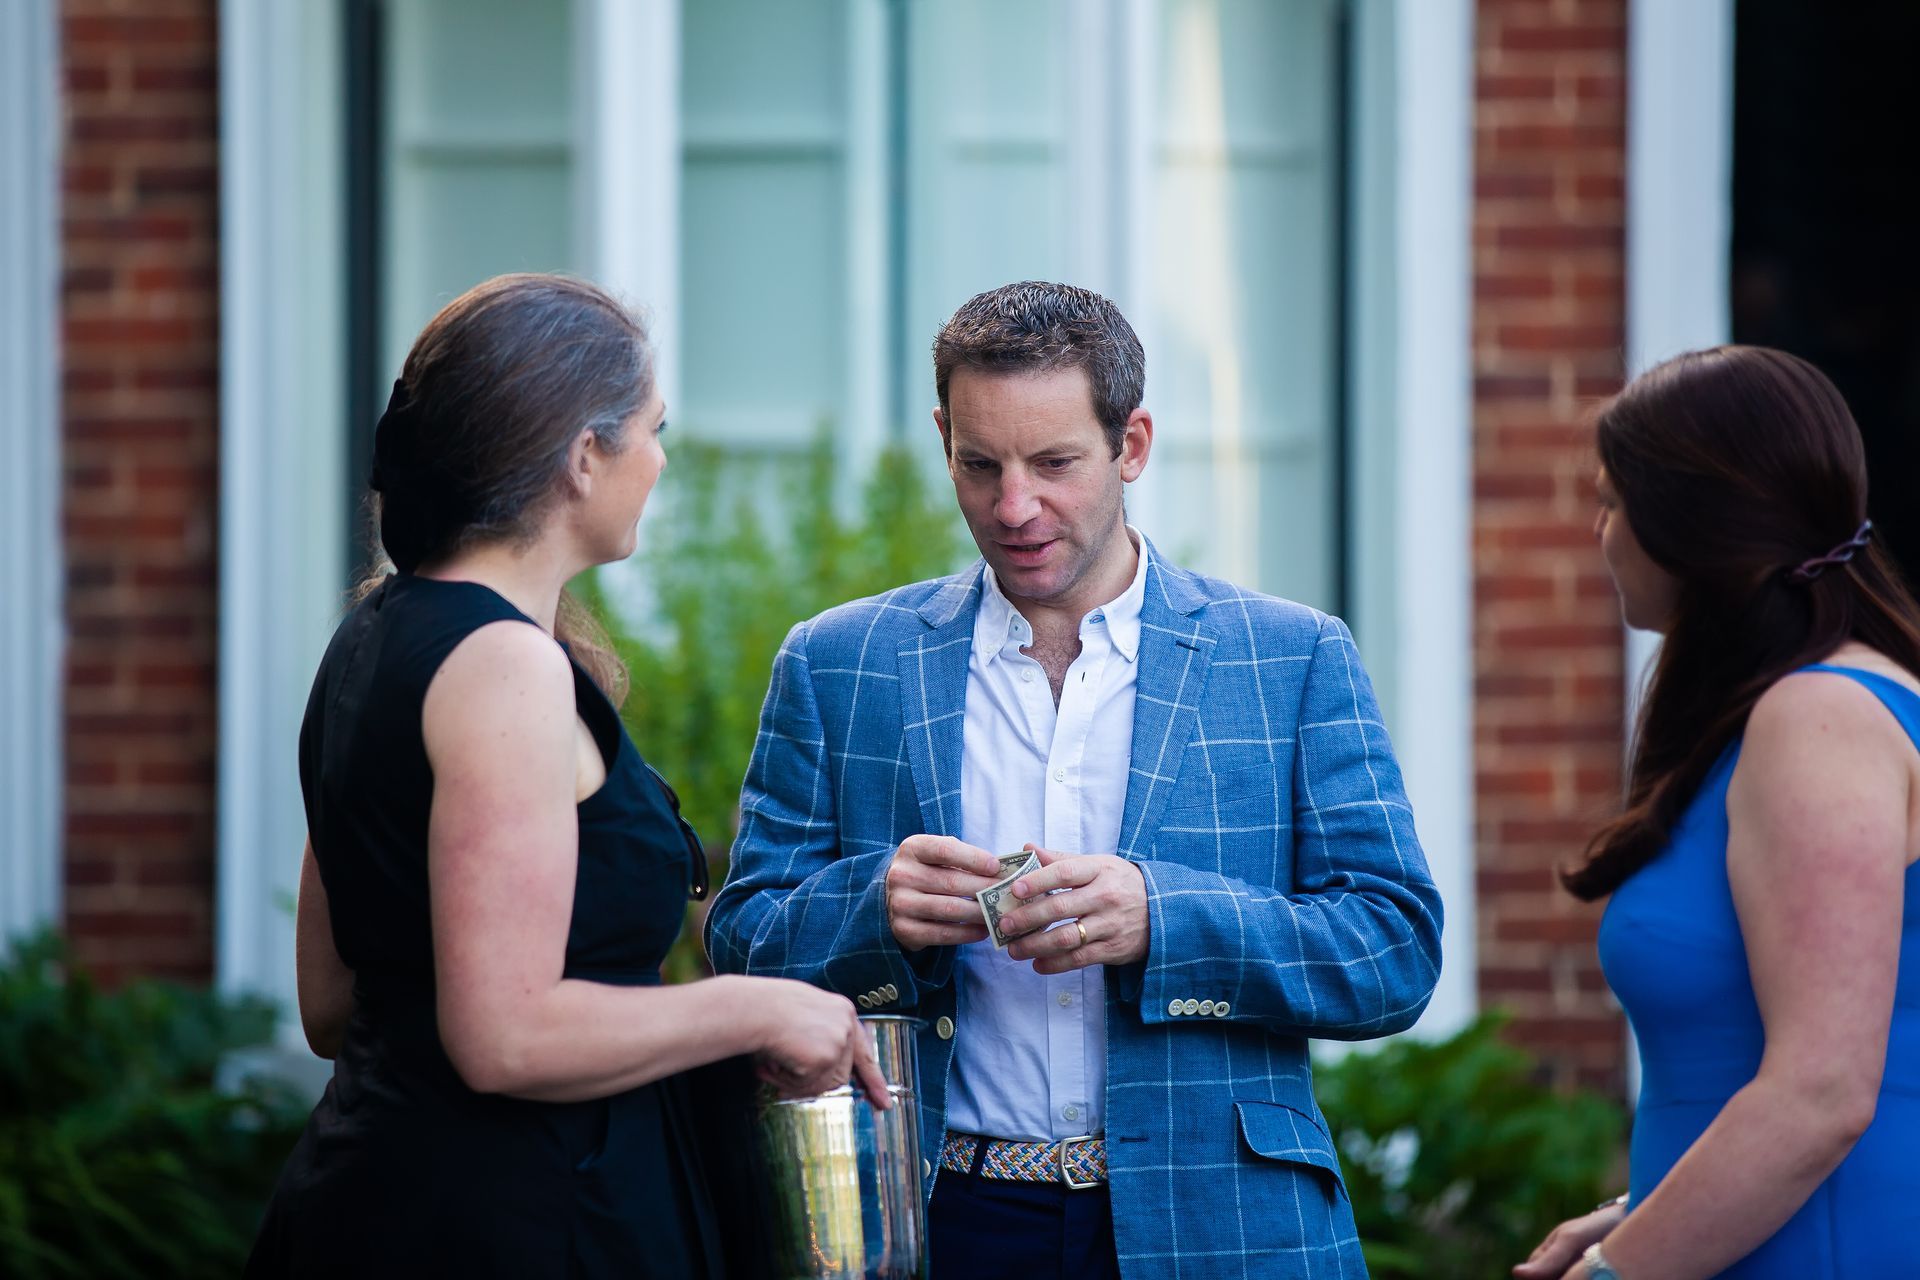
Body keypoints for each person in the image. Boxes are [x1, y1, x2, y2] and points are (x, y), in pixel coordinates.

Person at [705, 280, 1444, 1278]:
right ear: (943, 438)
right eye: (980, 465)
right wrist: (872, 904)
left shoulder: (1291, 656)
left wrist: (1165, 916)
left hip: (1220, 1223)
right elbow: (743, 940)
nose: (1015, 507)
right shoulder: (841, 661)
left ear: (1131, 444)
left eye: (1055, 464)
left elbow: (1394, 951)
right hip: (939, 1217)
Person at [246, 273, 887, 1279]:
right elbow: (501, 1034)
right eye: (653, 428)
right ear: (584, 457)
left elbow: (333, 1006)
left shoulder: (371, 633)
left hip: (369, 1200)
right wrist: (761, 1007)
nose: (662, 459)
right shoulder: (505, 668)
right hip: (512, 1228)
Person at [1515, 346, 1920, 1280]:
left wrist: (1620, 1272)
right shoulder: (1793, 711)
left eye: (1613, 502)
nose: (1599, 531)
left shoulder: (1818, 719)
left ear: (1685, 528)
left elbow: (1824, 1091)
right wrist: (1635, 1216)